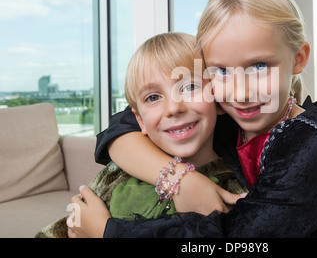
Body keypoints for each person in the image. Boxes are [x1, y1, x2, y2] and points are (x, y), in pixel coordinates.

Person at [70, 0, 317, 238]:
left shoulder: (313, 145)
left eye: (259, 66)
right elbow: (122, 126)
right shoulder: (225, 114)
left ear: (298, 58)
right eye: (221, 71)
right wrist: (179, 179)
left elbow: (240, 238)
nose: (240, 92)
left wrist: (106, 231)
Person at [67, 32, 247, 238]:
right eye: (153, 97)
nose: (173, 107)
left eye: (189, 87)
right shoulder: (118, 174)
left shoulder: (238, 190)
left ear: (217, 97)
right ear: (140, 121)